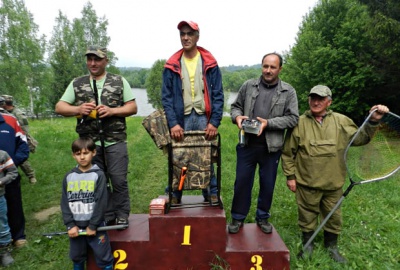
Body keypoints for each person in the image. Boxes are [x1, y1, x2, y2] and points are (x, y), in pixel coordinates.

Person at [281, 85, 389, 263]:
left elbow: (361, 138)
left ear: (329, 102)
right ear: (308, 100)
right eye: (313, 98)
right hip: (307, 183)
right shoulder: (299, 123)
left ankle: (331, 247)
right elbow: (288, 153)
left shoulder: (341, 121)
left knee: (333, 216)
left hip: (333, 182)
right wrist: (290, 177)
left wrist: (373, 121)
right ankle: (308, 244)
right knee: (306, 215)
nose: (316, 102)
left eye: (321, 99)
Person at [55, 45, 137, 226]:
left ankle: (122, 214)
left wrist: (112, 111)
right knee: (97, 180)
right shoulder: (77, 83)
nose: (93, 63)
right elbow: (60, 107)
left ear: (106, 61)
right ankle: (107, 215)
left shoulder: (118, 81)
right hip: (90, 144)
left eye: (97, 59)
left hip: (115, 140)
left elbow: (132, 107)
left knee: (118, 179)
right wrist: (78, 109)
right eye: (89, 59)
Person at [228, 52, 299, 234]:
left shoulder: (288, 91)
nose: (268, 70)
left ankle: (263, 217)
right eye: (265, 66)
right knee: (242, 182)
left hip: (271, 148)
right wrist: (237, 118)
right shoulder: (248, 86)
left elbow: (292, 118)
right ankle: (237, 217)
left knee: (267, 184)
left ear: (280, 69)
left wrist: (269, 124)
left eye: (272, 67)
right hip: (247, 145)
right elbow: (235, 107)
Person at [161, 20, 224, 204]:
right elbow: (167, 97)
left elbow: (218, 94)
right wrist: (173, 123)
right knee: (180, 157)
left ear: (197, 36)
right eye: (182, 34)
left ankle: (211, 193)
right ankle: (175, 194)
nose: (186, 37)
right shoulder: (172, 64)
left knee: (206, 156)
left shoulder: (210, 62)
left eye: (189, 33)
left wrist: (214, 122)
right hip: (182, 118)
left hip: (204, 117)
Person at [61, 137, 113, 270]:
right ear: (73, 155)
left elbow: (101, 202)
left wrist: (93, 225)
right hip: (76, 227)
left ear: (93, 153)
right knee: (77, 257)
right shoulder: (69, 176)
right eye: (78, 154)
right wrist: (70, 225)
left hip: (96, 226)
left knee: (104, 258)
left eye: (86, 153)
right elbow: (65, 202)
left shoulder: (99, 175)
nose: (82, 157)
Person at [0, 97, 29, 248]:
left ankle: (18, 236)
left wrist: (11, 164)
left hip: (8, 174)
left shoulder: (10, 121)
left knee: (14, 203)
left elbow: (23, 145)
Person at [1, 95, 38, 184]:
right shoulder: (5, 112)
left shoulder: (18, 114)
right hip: (10, 136)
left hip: (19, 138)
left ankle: (31, 176)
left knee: (22, 160)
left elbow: (24, 130)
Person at [0, 150, 18, 267]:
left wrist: (1, 181)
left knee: (2, 224)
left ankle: (4, 251)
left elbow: (13, 172)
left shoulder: (2, 155)